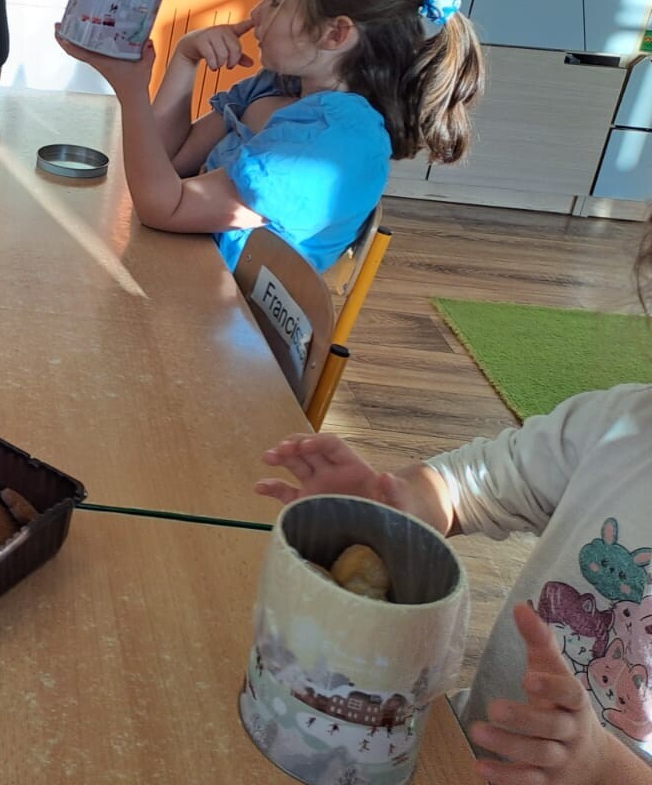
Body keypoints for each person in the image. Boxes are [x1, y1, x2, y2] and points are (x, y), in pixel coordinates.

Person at [254, 232, 652, 783]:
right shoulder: (618, 426)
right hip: (461, 754)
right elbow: (463, 489)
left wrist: (602, 768)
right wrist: (391, 502)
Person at [58, 0, 485, 272]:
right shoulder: (278, 88)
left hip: (227, 325)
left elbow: (163, 207)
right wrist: (184, 60)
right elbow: (169, 161)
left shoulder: (329, 145)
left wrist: (131, 91)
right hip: (182, 276)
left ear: (336, 33)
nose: (258, 12)